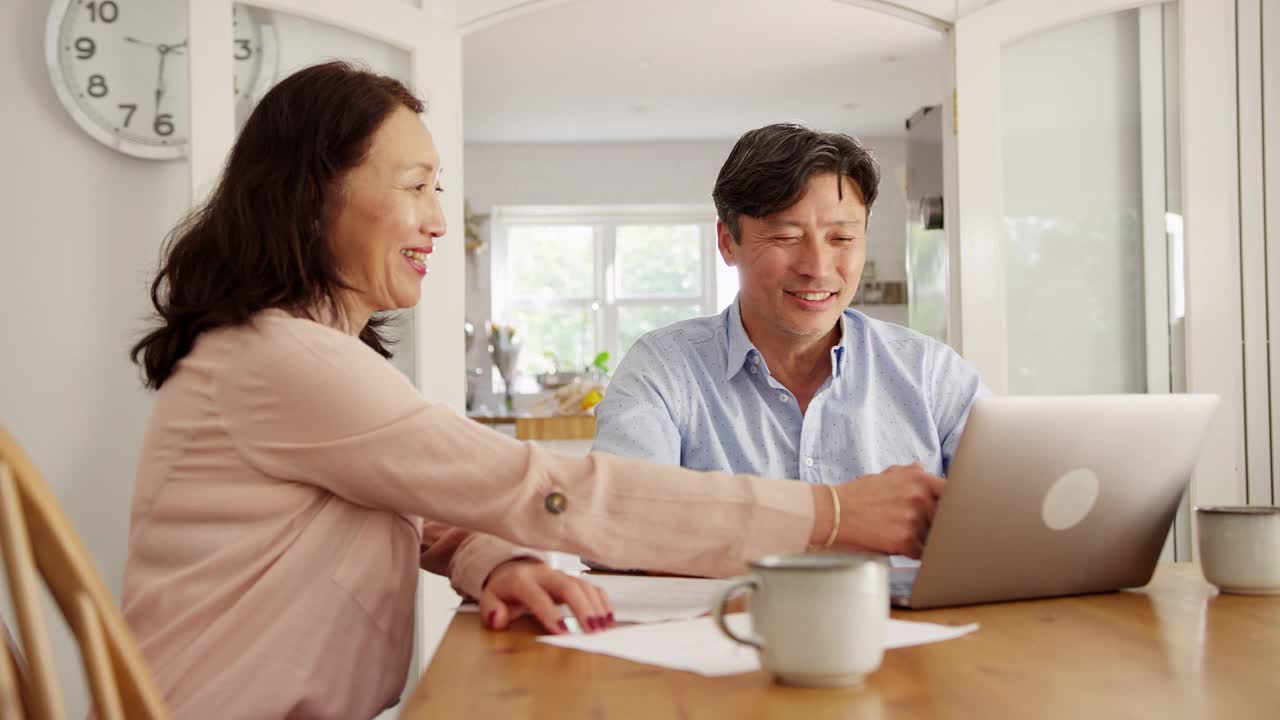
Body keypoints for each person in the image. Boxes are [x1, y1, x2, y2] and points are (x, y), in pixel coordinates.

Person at [122, 63, 887, 719]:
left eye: (438, 188)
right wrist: (834, 514)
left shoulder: (302, 354)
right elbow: (542, 488)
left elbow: (417, 511)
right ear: (314, 195)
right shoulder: (285, 360)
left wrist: (495, 563)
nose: (437, 221)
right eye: (417, 187)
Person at [593, 123, 988, 559]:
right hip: (729, 621)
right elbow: (612, 526)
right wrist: (831, 516)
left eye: (842, 238)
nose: (817, 267)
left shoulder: (930, 372)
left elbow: (1015, 511)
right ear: (728, 242)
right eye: (786, 237)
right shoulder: (665, 368)